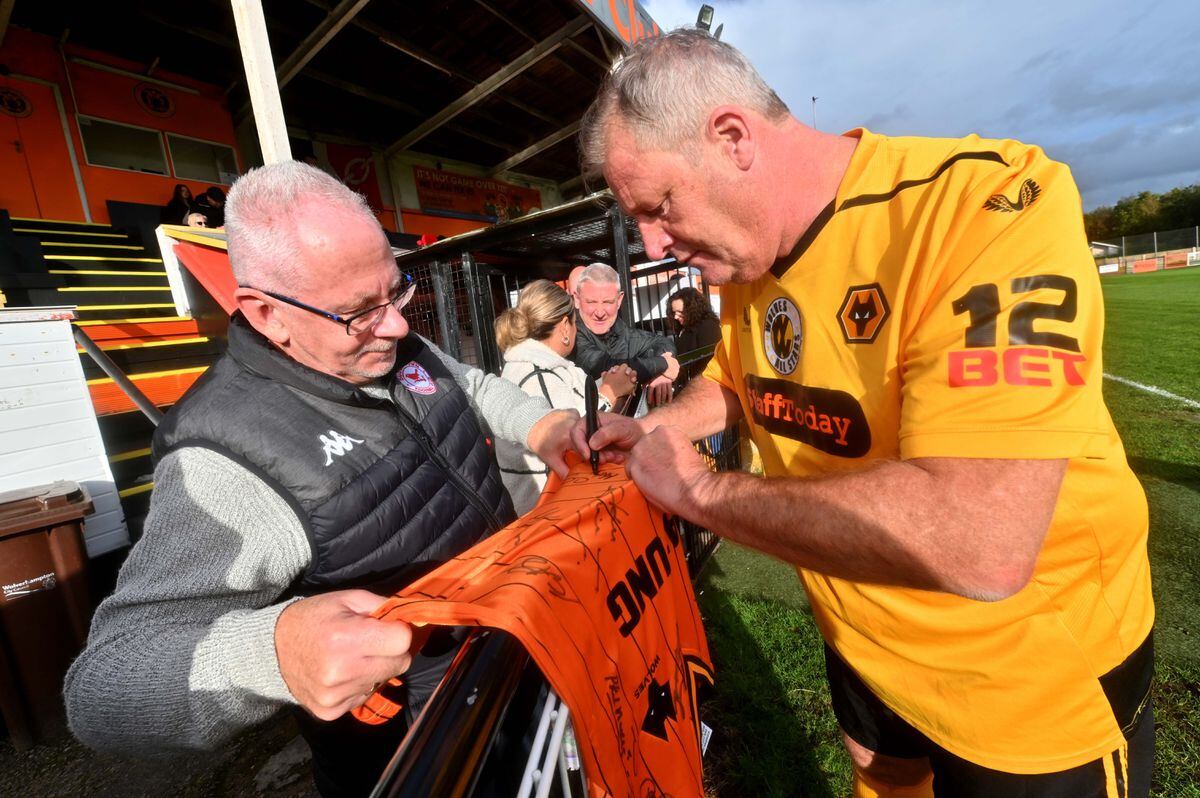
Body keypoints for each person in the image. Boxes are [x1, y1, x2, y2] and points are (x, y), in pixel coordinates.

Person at [575, 29, 1153, 798]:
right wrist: (656, 430)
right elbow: (737, 383)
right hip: (859, 643)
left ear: (732, 137)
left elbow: (983, 541)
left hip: (1022, 685)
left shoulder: (983, 206)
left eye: (660, 206)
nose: (653, 243)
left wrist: (700, 492)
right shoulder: (749, 258)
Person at [64, 161, 577, 797]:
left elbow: (467, 386)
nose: (395, 324)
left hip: (521, 665)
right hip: (420, 755)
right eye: (359, 312)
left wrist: (544, 427)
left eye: (397, 290)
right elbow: (100, 689)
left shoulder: (393, 343)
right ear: (266, 312)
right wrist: (274, 652)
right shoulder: (223, 458)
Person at [493, 279, 637, 513]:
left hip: (562, 505)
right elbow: (577, 438)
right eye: (574, 322)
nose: (576, 328)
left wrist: (608, 381)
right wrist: (611, 391)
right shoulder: (534, 371)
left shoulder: (543, 364)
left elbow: (571, 401)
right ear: (563, 326)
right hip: (551, 512)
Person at [572, 263, 680, 406]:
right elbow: (607, 367)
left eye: (607, 302)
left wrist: (660, 375)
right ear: (577, 300)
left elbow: (663, 343)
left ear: (619, 300)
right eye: (591, 302)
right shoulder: (569, 337)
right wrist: (664, 364)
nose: (599, 312)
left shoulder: (624, 333)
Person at [668, 286, 721, 384]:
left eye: (680, 312)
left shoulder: (707, 325)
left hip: (702, 383)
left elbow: (708, 358)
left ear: (692, 309)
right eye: (674, 312)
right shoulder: (685, 327)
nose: (675, 316)